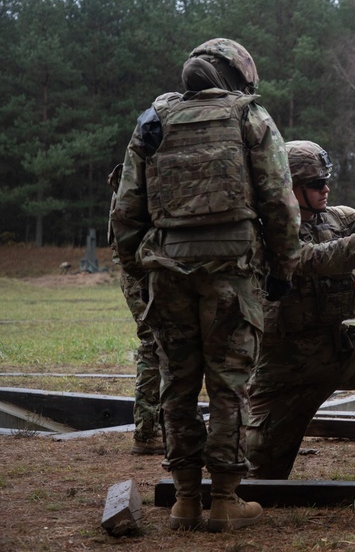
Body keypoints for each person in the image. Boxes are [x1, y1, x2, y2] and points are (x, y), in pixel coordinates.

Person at [110, 38, 301, 532]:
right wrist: (282, 267)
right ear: (237, 76)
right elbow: (280, 204)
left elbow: (126, 209)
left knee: (176, 383)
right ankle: (226, 500)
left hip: (166, 270)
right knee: (228, 386)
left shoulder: (152, 122)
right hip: (231, 273)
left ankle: (186, 500)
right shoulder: (250, 119)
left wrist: (140, 268)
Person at [245, 140, 355, 482]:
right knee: (261, 477)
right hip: (285, 367)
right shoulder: (266, 232)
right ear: (291, 187)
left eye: (326, 180)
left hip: (334, 348)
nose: (326, 189)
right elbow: (325, 258)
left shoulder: (336, 218)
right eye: (317, 184)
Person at [106, 163, 163, 457]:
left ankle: (159, 426)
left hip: (150, 270)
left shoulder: (139, 172)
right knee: (155, 344)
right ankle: (147, 432)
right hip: (141, 273)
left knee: (166, 345)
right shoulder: (138, 177)